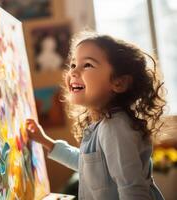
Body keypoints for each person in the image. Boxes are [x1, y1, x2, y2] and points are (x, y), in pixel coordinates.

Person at [25, 32, 166, 200]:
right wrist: (46, 141)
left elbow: (133, 191)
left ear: (118, 82)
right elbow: (88, 166)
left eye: (88, 65)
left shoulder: (116, 127)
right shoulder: (104, 124)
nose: (74, 72)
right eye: (73, 64)